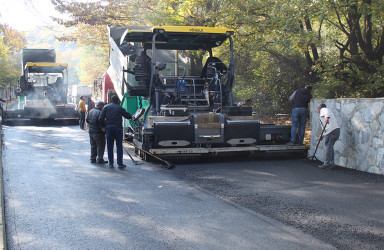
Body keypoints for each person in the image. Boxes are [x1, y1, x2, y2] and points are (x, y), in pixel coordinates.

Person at [98, 95, 133, 168]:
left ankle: (111, 163)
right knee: (119, 146)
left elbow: (101, 118)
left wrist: (104, 126)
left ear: (111, 100)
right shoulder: (119, 108)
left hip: (109, 129)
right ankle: (120, 163)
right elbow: (126, 115)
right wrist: (132, 117)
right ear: (117, 100)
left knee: (110, 146)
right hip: (118, 129)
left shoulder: (106, 107)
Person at [317, 104, 340, 169]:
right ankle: (331, 163)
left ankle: (326, 163)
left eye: (318, 108)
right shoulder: (325, 112)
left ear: (319, 108)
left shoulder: (323, 109)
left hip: (331, 131)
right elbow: (324, 127)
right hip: (335, 130)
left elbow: (326, 112)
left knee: (328, 147)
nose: (318, 110)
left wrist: (327, 117)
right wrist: (322, 135)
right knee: (330, 147)